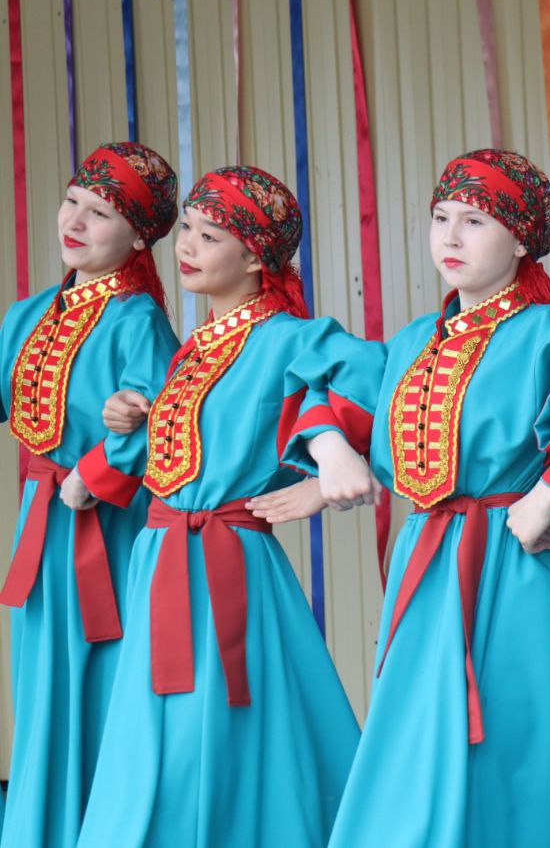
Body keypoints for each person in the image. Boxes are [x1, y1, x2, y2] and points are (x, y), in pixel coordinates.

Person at [326, 149, 550, 847]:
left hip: (515, 553)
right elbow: (330, 393)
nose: (450, 236)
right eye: (440, 217)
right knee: (418, 724)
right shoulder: (411, 343)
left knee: (526, 725)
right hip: (425, 558)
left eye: (475, 221)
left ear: (521, 241)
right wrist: (324, 454)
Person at [77, 166, 383, 846]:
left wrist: (330, 456)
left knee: (213, 733)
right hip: (162, 556)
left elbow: (367, 375)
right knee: (155, 737)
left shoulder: (288, 335)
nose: (187, 245)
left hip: (226, 567)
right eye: (185, 228)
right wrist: (132, 413)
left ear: (254, 258)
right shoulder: (197, 346)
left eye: (210, 236)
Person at [0, 142, 179, 847]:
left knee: (104, 677)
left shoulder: (138, 319)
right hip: (41, 526)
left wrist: (94, 474)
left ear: (138, 237)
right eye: (73, 201)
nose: (75, 221)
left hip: (108, 530)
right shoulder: (29, 315)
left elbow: (166, 416)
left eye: (100, 213)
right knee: (41, 685)